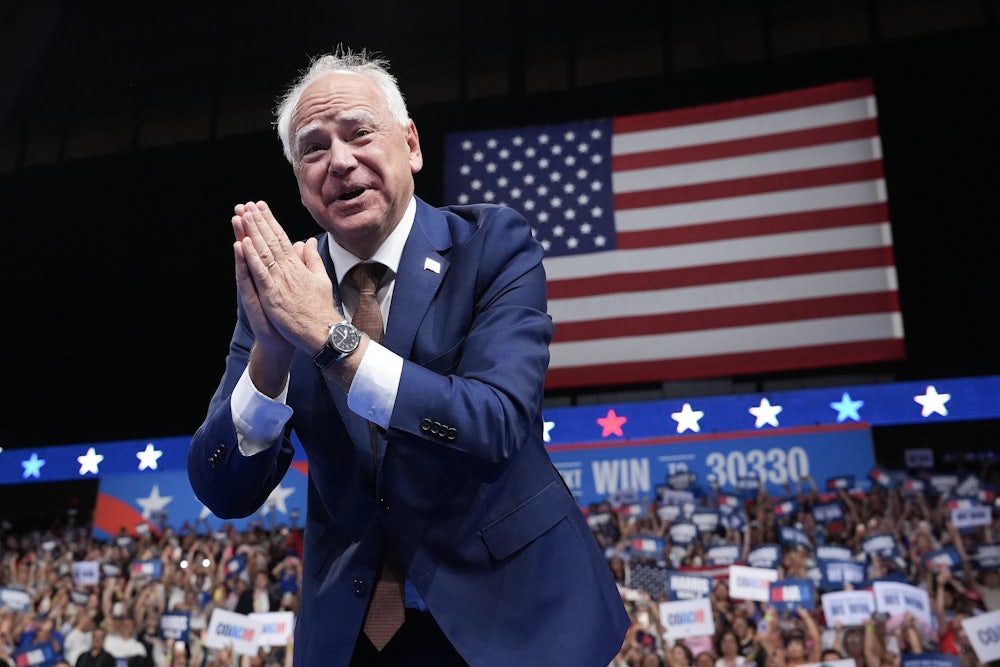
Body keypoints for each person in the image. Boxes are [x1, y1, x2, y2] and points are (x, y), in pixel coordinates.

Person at [187, 47, 629, 666]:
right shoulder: (284, 291)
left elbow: (494, 427)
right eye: (313, 149)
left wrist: (330, 338)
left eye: (359, 133)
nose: (340, 161)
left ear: (411, 145)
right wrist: (273, 353)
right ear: (300, 181)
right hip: (353, 636)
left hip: (512, 623)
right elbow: (223, 491)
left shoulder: (492, 245)